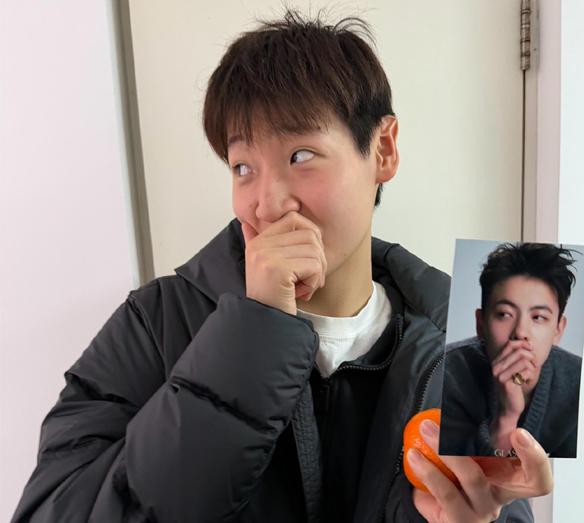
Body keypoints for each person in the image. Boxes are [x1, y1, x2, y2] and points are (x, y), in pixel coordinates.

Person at [12, 11, 552, 523]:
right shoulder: (155, 322)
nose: (267, 205)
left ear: (383, 150)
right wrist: (255, 336)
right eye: (242, 167)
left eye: (300, 156)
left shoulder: (469, 343)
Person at [439, 242, 582, 459]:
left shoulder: (580, 382)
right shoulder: (447, 373)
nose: (520, 332)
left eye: (538, 317)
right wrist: (506, 417)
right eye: (504, 314)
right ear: (481, 324)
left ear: (558, 330)